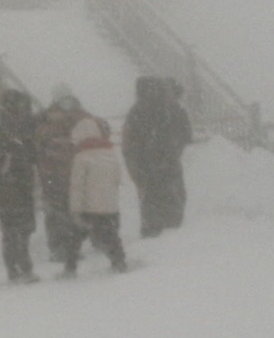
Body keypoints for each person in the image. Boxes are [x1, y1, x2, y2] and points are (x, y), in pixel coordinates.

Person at [125, 74, 195, 238]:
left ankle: (156, 234)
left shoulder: (143, 111)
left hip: (153, 166)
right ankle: (167, 234)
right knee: (168, 200)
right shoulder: (163, 111)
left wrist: (136, 165)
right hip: (162, 165)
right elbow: (181, 137)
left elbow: (130, 144)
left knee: (154, 201)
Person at [0, 85, 43, 282]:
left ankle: (13, 268)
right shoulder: (23, 132)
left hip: (5, 186)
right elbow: (33, 156)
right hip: (21, 184)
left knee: (10, 230)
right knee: (23, 229)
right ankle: (24, 266)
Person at [61, 111, 129, 274]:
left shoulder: (81, 157)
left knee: (75, 239)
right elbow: (118, 179)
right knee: (111, 237)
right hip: (110, 207)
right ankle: (119, 262)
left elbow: (77, 187)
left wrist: (75, 210)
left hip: (88, 209)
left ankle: (70, 268)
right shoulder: (110, 154)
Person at [35, 87, 85, 272]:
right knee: (73, 210)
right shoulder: (80, 116)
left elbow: (38, 145)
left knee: (56, 213)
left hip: (52, 174)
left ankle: (60, 249)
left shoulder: (44, 120)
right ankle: (72, 247)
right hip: (72, 172)